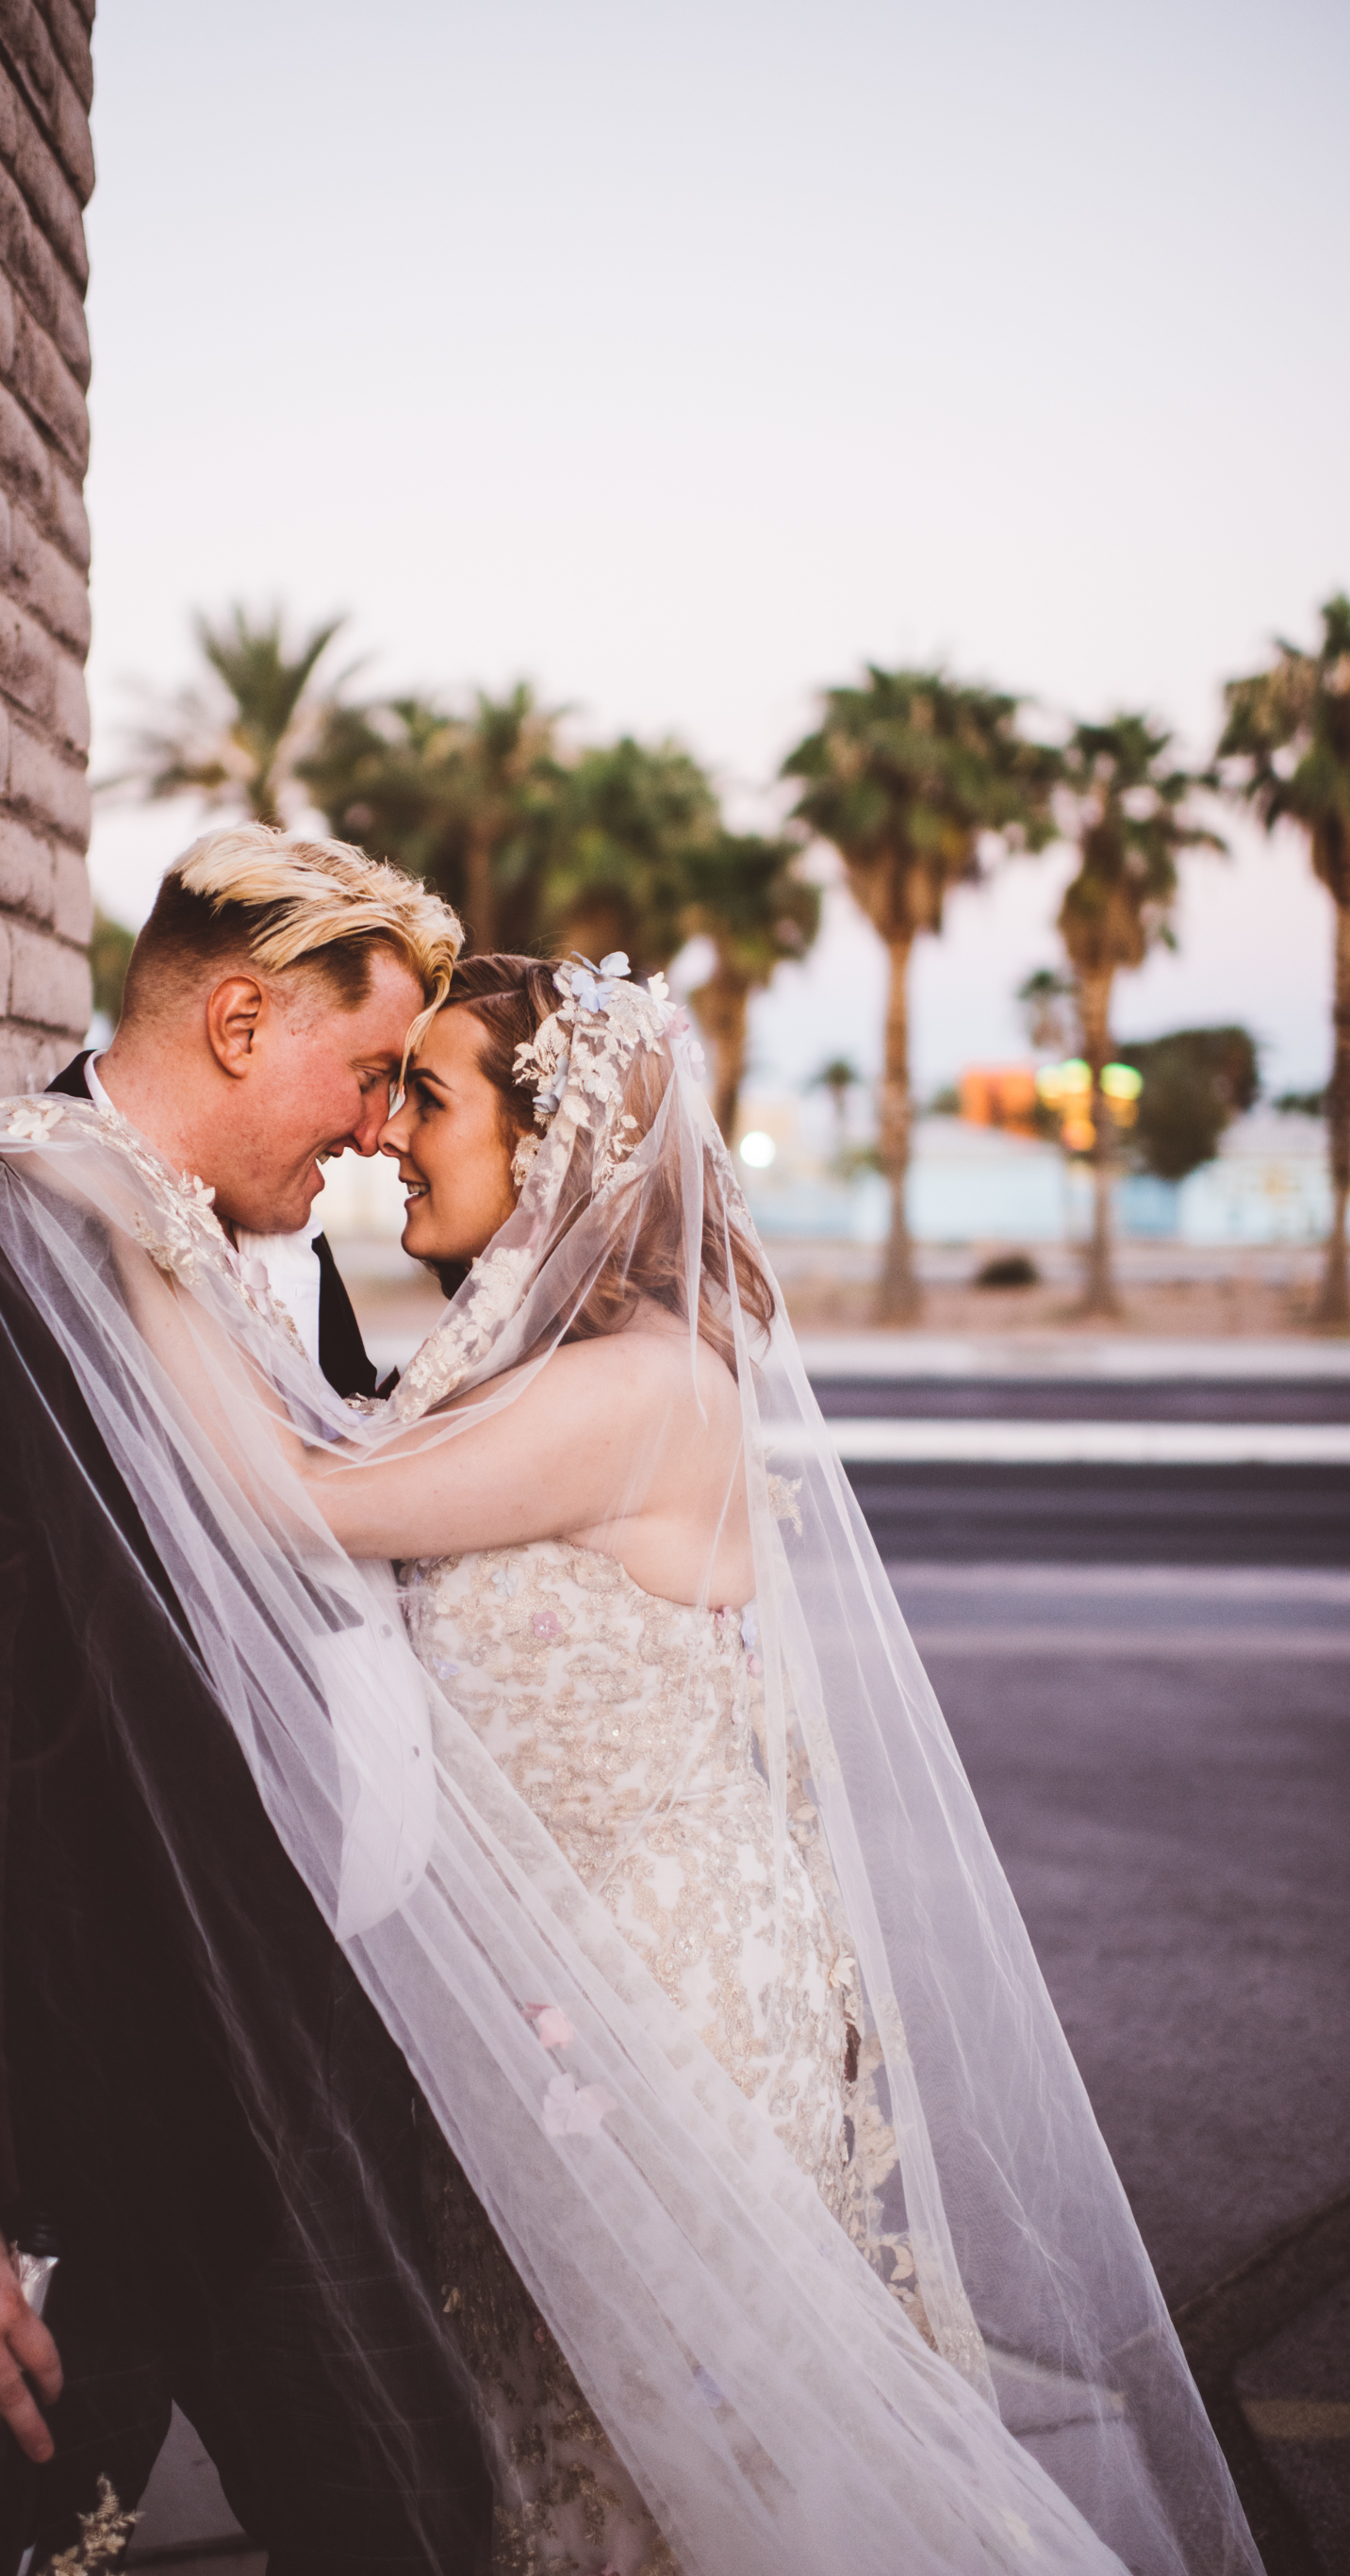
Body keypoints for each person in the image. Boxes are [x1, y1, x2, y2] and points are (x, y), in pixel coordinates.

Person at [278, 953, 1259, 2576]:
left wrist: (125, 1234)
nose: (388, 1131)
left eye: (427, 1094)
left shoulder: (633, 1388)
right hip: (571, 1996)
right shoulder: (555, 1372)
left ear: (555, 1143)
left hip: (657, 2013)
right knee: (587, 2452)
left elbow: (305, 1495)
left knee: (673, 2463)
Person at [0, 827, 486, 2575]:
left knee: (423, 2521)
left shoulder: (250, 1256)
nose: (381, 1127)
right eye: (366, 1072)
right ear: (235, 1021)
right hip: (75, 2114)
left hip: (287, 2067)